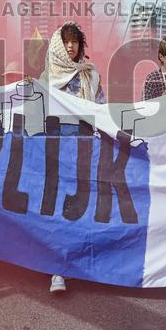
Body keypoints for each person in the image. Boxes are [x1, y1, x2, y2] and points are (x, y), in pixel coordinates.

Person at [44, 21, 105, 294]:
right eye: (66, 41)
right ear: (59, 45)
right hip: (56, 148)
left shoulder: (91, 75)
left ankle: (80, 264)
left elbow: (102, 109)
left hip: (86, 147)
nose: (71, 46)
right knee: (59, 206)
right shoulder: (47, 78)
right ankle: (57, 270)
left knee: (83, 206)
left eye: (75, 41)